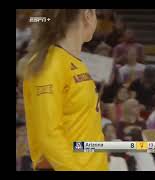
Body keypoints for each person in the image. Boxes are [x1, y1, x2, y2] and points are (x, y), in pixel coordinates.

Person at [21, 9, 108, 171]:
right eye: (97, 14)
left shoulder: (75, 62)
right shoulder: (49, 64)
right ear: (87, 15)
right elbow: (48, 134)